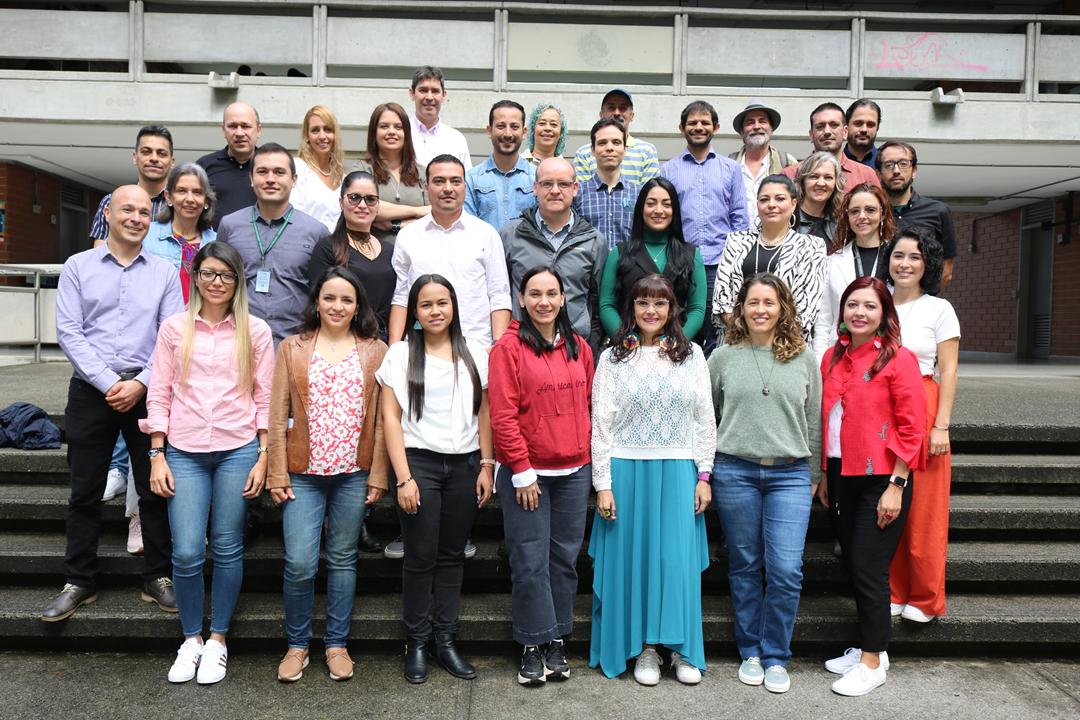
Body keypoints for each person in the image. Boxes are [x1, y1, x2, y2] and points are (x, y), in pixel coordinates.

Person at [43, 185, 183, 622]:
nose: (137, 218)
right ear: (108, 214)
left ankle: (157, 577)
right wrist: (109, 383)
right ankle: (79, 581)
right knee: (84, 491)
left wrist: (140, 383)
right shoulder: (78, 266)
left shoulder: (163, 272)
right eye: (128, 210)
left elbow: (172, 335)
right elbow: (69, 332)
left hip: (147, 392)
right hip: (91, 390)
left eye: (144, 212)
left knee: (154, 490)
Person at [141, 242, 273, 684]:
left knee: (228, 545)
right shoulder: (174, 328)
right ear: (195, 277)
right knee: (186, 550)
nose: (217, 282)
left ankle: (218, 640)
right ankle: (191, 638)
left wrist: (264, 455)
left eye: (226, 275)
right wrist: (157, 454)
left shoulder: (255, 331)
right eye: (209, 273)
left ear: (238, 281)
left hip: (238, 448)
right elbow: (159, 393)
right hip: (184, 450)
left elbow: (265, 397)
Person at [589, 274, 715, 686]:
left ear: (672, 309)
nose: (651, 310)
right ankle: (645, 648)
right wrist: (603, 484)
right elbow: (601, 425)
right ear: (631, 307)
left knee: (675, 563)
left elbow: (704, 419)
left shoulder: (692, 355)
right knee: (637, 564)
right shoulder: (612, 359)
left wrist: (704, 474)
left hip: (678, 470)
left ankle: (680, 647)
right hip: (627, 470)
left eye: (660, 303)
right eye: (643, 302)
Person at [269, 267, 389, 684]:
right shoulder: (292, 347)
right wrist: (276, 472)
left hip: (353, 473)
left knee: (342, 560)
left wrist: (378, 474)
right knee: (300, 563)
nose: (338, 306)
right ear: (317, 302)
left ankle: (337, 644)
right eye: (330, 298)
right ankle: (297, 645)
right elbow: (277, 413)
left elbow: (382, 420)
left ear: (358, 307)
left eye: (346, 300)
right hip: (303, 472)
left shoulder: (375, 350)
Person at [707, 273, 821, 695]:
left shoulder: (804, 358)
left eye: (769, 303)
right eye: (753, 302)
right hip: (734, 471)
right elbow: (708, 417)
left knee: (786, 569)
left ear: (783, 308)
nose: (760, 310)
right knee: (744, 564)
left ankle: (776, 655)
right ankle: (751, 651)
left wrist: (814, 475)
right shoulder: (722, 357)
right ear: (741, 308)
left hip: (790, 475)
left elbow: (814, 420)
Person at [376, 274, 493, 684]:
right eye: (426, 305)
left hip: (464, 465)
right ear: (415, 312)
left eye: (442, 303)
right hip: (419, 464)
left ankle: (446, 639)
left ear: (454, 306)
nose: (435, 311)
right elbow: (390, 417)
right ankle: (417, 642)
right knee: (420, 556)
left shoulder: (474, 351)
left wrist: (487, 464)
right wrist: (403, 477)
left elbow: (484, 411)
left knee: (451, 555)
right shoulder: (401, 353)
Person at [818, 276, 926, 697]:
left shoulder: (899, 359)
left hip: (881, 478)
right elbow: (827, 421)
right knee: (854, 563)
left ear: (884, 314)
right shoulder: (832, 357)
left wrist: (896, 485)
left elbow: (912, 427)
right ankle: (871, 648)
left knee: (868, 567)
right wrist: (825, 474)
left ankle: (872, 661)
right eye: (852, 305)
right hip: (840, 474)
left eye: (869, 306)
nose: (859, 313)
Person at [488, 266, 595, 685]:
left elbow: (589, 403)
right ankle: (532, 644)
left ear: (564, 299)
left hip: (573, 472)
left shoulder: (579, 346)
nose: (544, 301)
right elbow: (502, 415)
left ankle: (557, 640)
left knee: (563, 560)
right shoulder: (508, 348)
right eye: (535, 293)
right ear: (522, 299)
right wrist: (521, 470)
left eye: (552, 293)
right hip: (529, 473)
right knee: (530, 561)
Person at [882, 229, 960, 624]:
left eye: (914, 257)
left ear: (926, 264)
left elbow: (950, 369)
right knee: (888, 501)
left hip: (925, 404)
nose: (905, 264)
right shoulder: (877, 302)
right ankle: (894, 589)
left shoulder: (939, 309)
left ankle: (926, 596)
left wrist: (941, 426)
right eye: (898, 255)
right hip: (882, 407)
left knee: (925, 508)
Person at [388, 154, 512, 348]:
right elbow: (401, 297)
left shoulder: (486, 234)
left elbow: (499, 296)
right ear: (427, 187)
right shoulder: (408, 236)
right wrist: (395, 348)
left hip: (476, 346)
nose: (448, 188)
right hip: (420, 347)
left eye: (455, 181)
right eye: (439, 181)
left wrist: (497, 348)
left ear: (465, 187)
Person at [218, 142, 329, 346]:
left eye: (279, 172)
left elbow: (324, 294)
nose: (270, 179)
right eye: (262, 172)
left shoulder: (316, 232)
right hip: (238, 343)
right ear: (251, 178)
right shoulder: (229, 226)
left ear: (294, 180)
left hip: (296, 345)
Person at [661, 100, 749, 354]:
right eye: (692, 123)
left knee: (715, 329)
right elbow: (663, 218)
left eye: (704, 122)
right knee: (677, 324)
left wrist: (735, 264)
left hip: (718, 264)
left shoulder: (731, 169)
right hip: (680, 261)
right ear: (681, 128)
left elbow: (740, 218)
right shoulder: (668, 170)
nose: (698, 127)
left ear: (716, 127)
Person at [500, 158, 607, 350]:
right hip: (523, 347)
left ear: (575, 188)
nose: (555, 190)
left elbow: (598, 304)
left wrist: (590, 350)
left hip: (574, 349)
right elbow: (500, 295)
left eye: (563, 184)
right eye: (547, 184)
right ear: (535, 188)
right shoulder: (511, 235)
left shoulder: (593, 241)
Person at [713, 174, 827, 346]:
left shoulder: (812, 246)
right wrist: (748, 336)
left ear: (793, 204)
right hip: (736, 344)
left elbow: (806, 309)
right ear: (757, 205)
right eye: (764, 199)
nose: (771, 205)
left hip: (787, 346)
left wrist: (766, 340)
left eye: (780, 199)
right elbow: (722, 300)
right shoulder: (735, 241)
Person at [598, 178, 706, 342]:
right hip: (628, 348)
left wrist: (675, 343)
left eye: (666, 204)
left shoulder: (691, 254)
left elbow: (697, 308)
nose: (658, 210)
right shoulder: (620, 253)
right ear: (640, 208)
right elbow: (607, 305)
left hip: (677, 348)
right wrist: (628, 341)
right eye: (651, 204)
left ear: (675, 211)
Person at [308, 171, 396, 342]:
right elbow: (316, 301)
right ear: (341, 203)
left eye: (370, 199)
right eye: (354, 198)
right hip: (342, 339)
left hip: (383, 341)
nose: (362, 205)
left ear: (378, 205)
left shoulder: (390, 250)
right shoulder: (327, 248)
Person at [812, 183, 897, 359]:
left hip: (887, 354)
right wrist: (821, 362)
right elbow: (824, 320)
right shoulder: (832, 261)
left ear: (882, 214)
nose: (862, 216)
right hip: (840, 354)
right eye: (855, 211)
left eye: (870, 210)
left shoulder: (896, 259)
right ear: (847, 216)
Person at [876, 141, 958, 287]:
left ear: (914, 170)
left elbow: (946, 270)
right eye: (888, 165)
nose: (896, 170)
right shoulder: (871, 214)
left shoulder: (938, 211)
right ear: (878, 174)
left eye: (903, 164)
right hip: (877, 296)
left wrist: (922, 297)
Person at [144, 163, 219, 304]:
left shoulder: (217, 242)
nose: (190, 199)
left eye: (197, 192)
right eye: (182, 191)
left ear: (206, 201)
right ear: (168, 197)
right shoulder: (147, 234)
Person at [354, 102, 429, 242]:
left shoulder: (423, 172)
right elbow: (367, 208)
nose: (391, 131)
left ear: (406, 133)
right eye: (384, 126)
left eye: (398, 127)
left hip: (416, 249)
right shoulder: (362, 170)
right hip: (373, 251)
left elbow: (434, 215)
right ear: (374, 132)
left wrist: (395, 225)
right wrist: (417, 211)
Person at [89, 125, 175, 246]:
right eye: (146, 152)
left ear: (172, 162)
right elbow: (100, 249)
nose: (154, 158)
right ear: (135, 157)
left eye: (161, 153)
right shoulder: (111, 201)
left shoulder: (181, 204)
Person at [464, 100, 536, 231]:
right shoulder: (471, 179)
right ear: (489, 131)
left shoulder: (537, 177)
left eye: (514, 127)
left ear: (524, 132)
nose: (508, 134)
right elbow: (468, 228)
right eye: (501, 126)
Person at [728, 102, 799, 226]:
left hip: (777, 236)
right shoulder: (728, 164)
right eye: (750, 122)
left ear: (771, 129)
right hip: (737, 236)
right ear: (741, 132)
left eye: (762, 121)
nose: (756, 126)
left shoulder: (787, 162)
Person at [573, 118, 638, 249]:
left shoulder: (639, 194)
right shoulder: (577, 194)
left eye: (616, 142)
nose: (609, 148)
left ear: (625, 149)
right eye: (602, 143)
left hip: (629, 262)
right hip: (589, 262)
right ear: (592, 150)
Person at [782, 102, 879, 190]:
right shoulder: (790, 175)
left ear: (845, 132)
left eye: (834, 125)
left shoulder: (866, 176)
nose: (827, 131)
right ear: (811, 135)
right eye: (820, 126)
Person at [572, 88, 659, 186]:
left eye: (623, 108)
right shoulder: (583, 154)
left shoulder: (647, 151)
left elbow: (649, 193)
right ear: (601, 115)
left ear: (632, 116)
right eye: (611, 108)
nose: (617, 113)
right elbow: (583, 192)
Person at [197, 102, 262, 227]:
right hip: (215, 238)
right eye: (232, 126)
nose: (239, 133)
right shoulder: (204, 166)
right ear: (223, 130)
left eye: (246, 126)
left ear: (258, 130)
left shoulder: (269, 167)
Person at [290, 105, 346, 232]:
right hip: (307, 241)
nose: (322, 136)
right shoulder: (298, 168)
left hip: (338, 243)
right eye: (315, 130)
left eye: (328, 129)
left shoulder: (342, 178)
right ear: (307, 136)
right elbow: (293, 215)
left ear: (335, 135)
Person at [408, 65, 472, 169]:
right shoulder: (400, 134)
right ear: (412, 93)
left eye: (435, 91)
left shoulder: (457, 140)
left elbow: (465, 178)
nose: (429, 97)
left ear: (443, 95)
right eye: (423, 90)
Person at [793, 151, 845, 250]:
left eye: (828, 177)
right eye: (814, 176)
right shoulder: (788, 219)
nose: (821, 183)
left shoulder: (841, 222)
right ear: (803, 181)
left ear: (836, 183)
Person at [844, 99, 882, 168]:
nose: (864, 130)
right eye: (858, 123)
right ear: (846, 127)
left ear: (877, 129)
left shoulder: (884, 163)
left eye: (870, 125)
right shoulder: (833, 163)